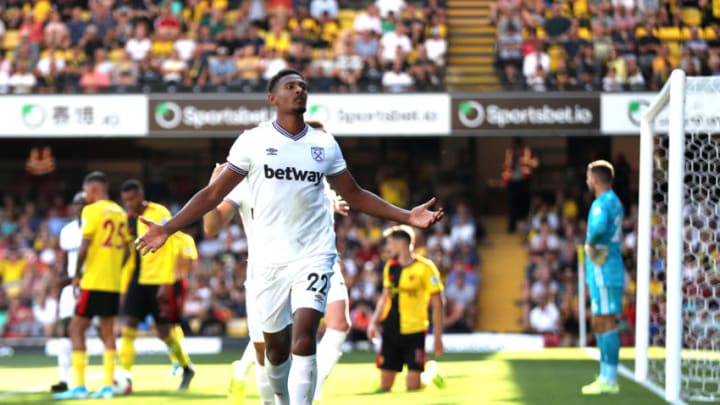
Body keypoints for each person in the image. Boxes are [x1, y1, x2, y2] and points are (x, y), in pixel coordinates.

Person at [135, 68, 443, 405]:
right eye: (290, 86)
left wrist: (406, 215)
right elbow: (212, 198)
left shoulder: (324, 144)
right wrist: (168, 227)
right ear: (273, 98)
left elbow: (354, 194)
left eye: (303, 86)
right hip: (267, 263)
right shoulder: (252, 141)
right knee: (275, 353)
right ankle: (282, 399)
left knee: (305, 337)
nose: (299, 91)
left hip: (314, 254)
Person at [205, 121, 352, 405]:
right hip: (264, 272)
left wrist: (330, 201)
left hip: (315, 261)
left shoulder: (309, 173)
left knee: (317, 331)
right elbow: (211, 226)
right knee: (268, 351)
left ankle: (311, 392)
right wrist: (214, 189)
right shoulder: (243, 182)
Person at [53, 172, 131, 400]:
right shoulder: (119, 212)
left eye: (86, 191)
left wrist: (77, 275)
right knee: (108, 332)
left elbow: (84, 248)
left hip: (93, 280)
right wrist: (116, 269)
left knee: (75, 329)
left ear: (93, 189)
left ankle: (79, 386)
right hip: (112, 282)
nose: (85, 196)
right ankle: (107, 386)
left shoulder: (91, 210)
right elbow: (127, 250)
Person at [118, 179, 195, 392]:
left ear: (141, 195)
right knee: (128, 325)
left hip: (159, 280)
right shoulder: (128, 219)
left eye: (132, 199)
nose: (130, 203)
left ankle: (186, 366)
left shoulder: (159, 212)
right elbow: (131, 253)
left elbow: (170, 247)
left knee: (164, 331)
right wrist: (125, 285)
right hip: (138, 279)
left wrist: (166, 282)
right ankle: (125, 377)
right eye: (126, 200)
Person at [367, 225, 445, 392]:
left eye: (389, 243)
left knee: (413, 387)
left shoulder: (426, 267)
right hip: (391, 329)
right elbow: (384, 298)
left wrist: (438, 337)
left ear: (401, 244)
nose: (386, 248)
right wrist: (373, 322)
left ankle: (429, 374)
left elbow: (438, 304)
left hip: (415, 330)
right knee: (386, 386)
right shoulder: (390, 267)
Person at [582, 160, 625, 395]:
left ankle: (610, 379)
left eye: (589, 177)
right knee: (599, 322)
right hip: (606, 268)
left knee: (606, 321)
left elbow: (598, 228)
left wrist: (590, 243)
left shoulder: (602, 203)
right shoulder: (615, 201)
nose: (587, 181)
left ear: (596, 180)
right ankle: (605, 375)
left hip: (603, 268)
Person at [51, 191, 86, 393]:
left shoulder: (95, 230)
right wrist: (62, 279)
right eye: (76, 204)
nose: (79, 207)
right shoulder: (67, 231)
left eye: (83, 203)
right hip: (70, 287)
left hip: (92, 285)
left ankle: (113, 376)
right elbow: (64, 261)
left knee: (101, 331)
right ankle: (64, 379)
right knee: (65, 330)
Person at [502, 137, 539, 233]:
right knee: (513, 205)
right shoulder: (510, 154)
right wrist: (505, 181)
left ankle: (523, 227)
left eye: (517, 146)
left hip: (524, 181)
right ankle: (512, 226)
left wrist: (526, 161)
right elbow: (506, 167)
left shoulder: (527, 152)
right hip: (513, 182)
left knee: (523, 204)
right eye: (514, 146)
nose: (516, 148)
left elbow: (536, 163)